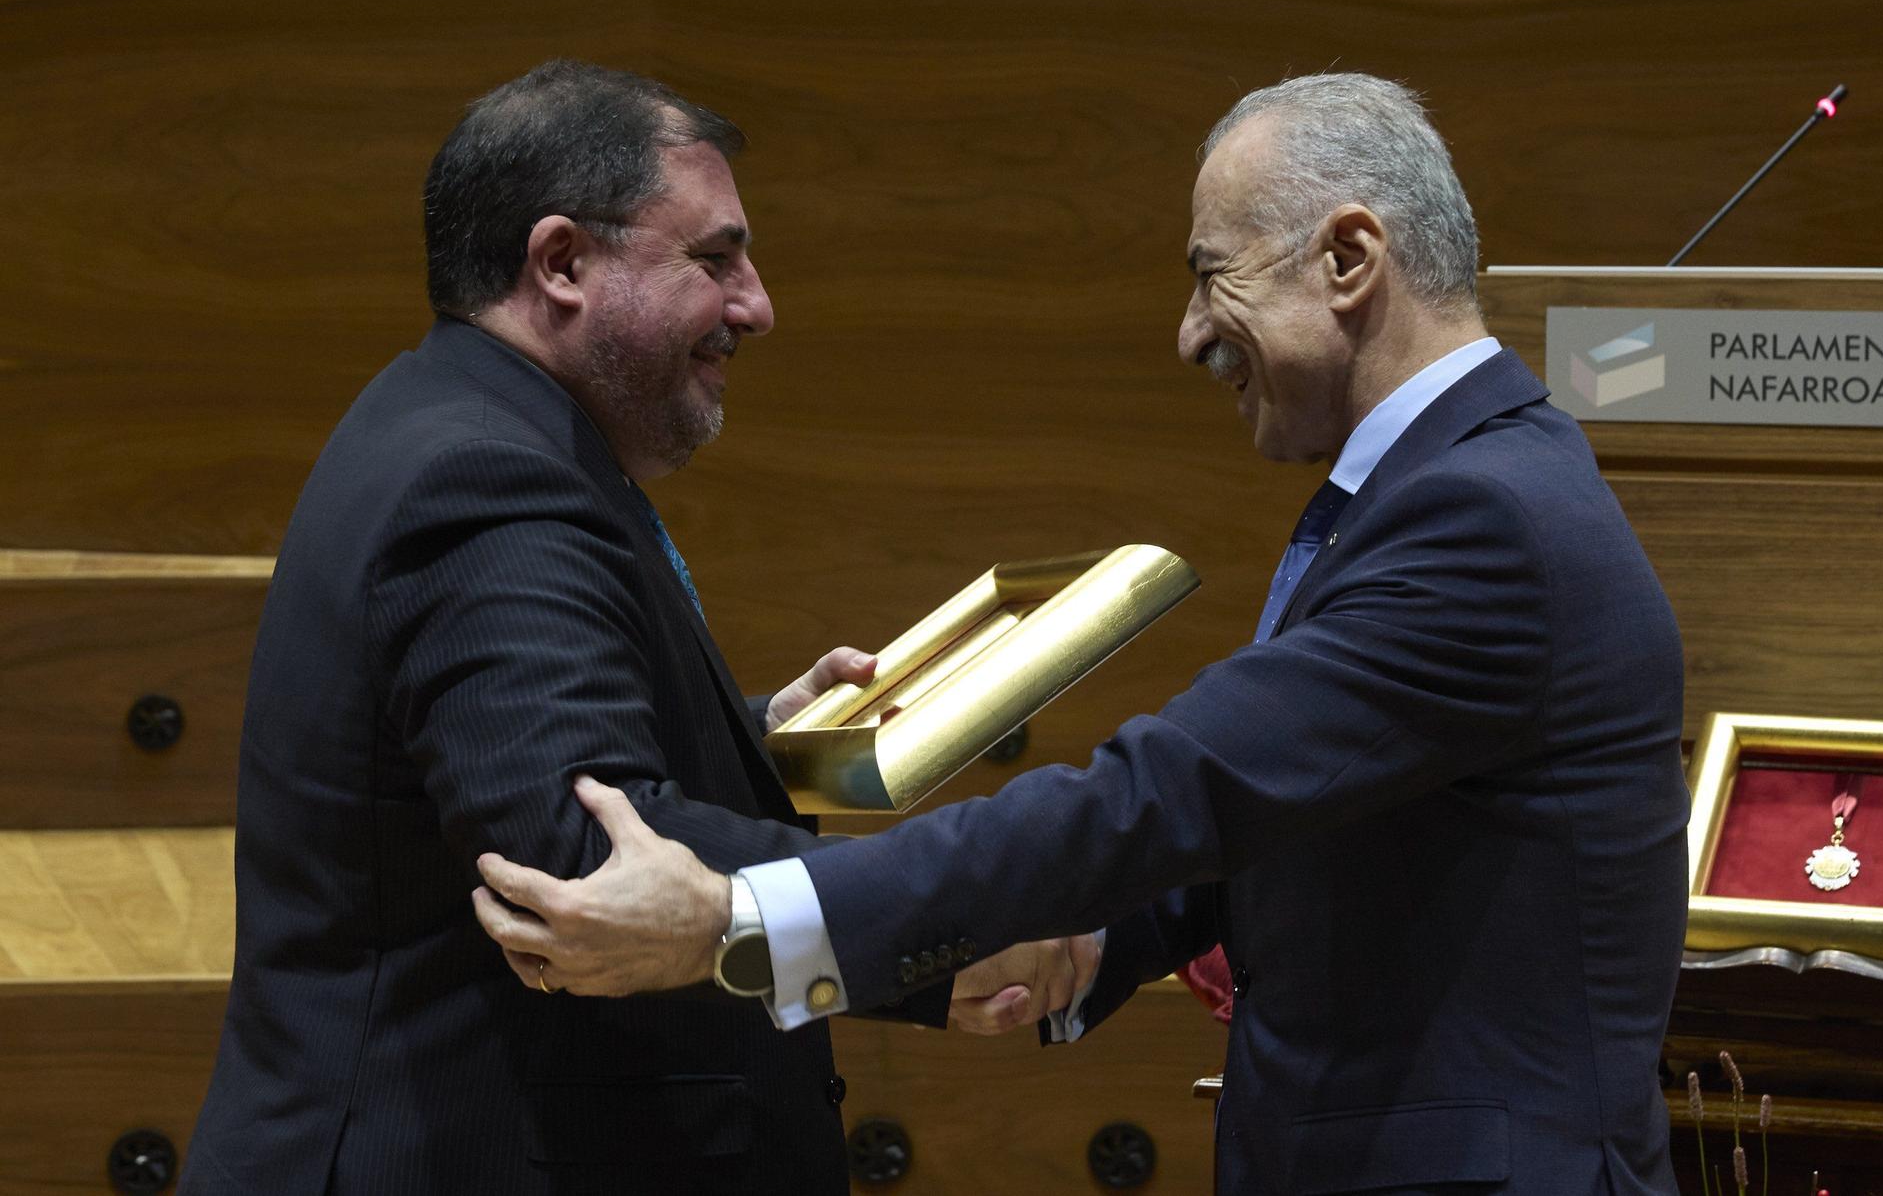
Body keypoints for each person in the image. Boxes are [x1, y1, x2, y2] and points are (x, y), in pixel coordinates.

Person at [472, 73, 1692, 1195]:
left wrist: (741, 924)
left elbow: (1176, 790)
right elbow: (1289, 810)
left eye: (1213, 272)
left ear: (1349, 257)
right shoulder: (1451, 486)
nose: (1188, 331)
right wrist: (1089, 944)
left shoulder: (1478, 515)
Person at [181, 59, 1088, 1196]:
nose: (756, 305)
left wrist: (751, 743)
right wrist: (930, 932)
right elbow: (583, 863)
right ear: (560, 262)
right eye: (713, 258)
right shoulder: (486, 478)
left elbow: (507, 770)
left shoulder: (467, 426)